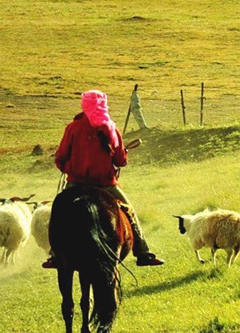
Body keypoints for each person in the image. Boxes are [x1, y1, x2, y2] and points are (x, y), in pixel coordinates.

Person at [43, 90, 163, 268]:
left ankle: (55, 253)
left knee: (59, 212)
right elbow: (120, 161)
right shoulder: (111, 128)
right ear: (103, 105)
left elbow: (60, 157)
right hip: (105, 185)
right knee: (129, 211)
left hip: (76, 184)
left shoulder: (73, 128)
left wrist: (70, 168)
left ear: (84, 105)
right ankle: (143, 252)